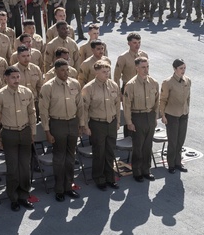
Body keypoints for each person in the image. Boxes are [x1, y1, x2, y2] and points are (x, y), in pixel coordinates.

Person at [0, 67, 37, 211]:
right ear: (6, 78)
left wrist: (33, 132)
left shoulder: (26, 92)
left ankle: (24, 195)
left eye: (18, 77)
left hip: (25, 132)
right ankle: (13, 197)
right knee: (12, 167)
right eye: (13, 77)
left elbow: (32, 114)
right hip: (9, 134)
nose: (16, 80)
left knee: (24, 166)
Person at [39, 58, 83, 201]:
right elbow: (43, 111)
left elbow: (80, 106)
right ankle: (59, 189)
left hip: (72, 122)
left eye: (67, 69)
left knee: (71, 157)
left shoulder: (75, 83)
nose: (65, 72)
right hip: (57, 123)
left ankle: (69, 186)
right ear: (56, 71)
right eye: (62, 70)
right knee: (59, 158)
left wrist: (81, 124)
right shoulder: (48, 87)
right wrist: (47, 130)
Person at [80, 59, 121, 191]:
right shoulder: (89, 88)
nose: (107, 74)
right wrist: (85, 126)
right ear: (96, 72)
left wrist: (118, 122)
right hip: (97, 124)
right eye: (104, 71)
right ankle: (99, 178)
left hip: (111, 122)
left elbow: (117, 104)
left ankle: (110, 177)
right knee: (99, 152)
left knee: (110, 152)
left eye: (108, 71)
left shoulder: (113, 85)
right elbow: (84, 109)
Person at [123, 56, 160, 182]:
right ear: (137, 68)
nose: (146, 69)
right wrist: (129, 122)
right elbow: (126, 105)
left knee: (148, 145)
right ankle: (137, 171)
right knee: (138, 146)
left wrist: (154, 118)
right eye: (143, 67)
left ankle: (146, 170)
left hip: (149, 116)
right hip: (137, 116)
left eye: (147, 66)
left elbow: (156, 102)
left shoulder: (154, 82)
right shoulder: (131, 85)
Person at [160, 59, 191, 174]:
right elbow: (162, 100)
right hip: (172, 114)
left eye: (184, 68)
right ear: (175, 69)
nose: (183, 71)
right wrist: (163, 115)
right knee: (172, 141)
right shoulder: (167, 82)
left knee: (180, 140)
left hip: (183, 114)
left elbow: (188, 98)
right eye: (181, 68)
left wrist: (187, 111)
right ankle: (171, 164)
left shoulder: (187, 81)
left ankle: (178, 162)